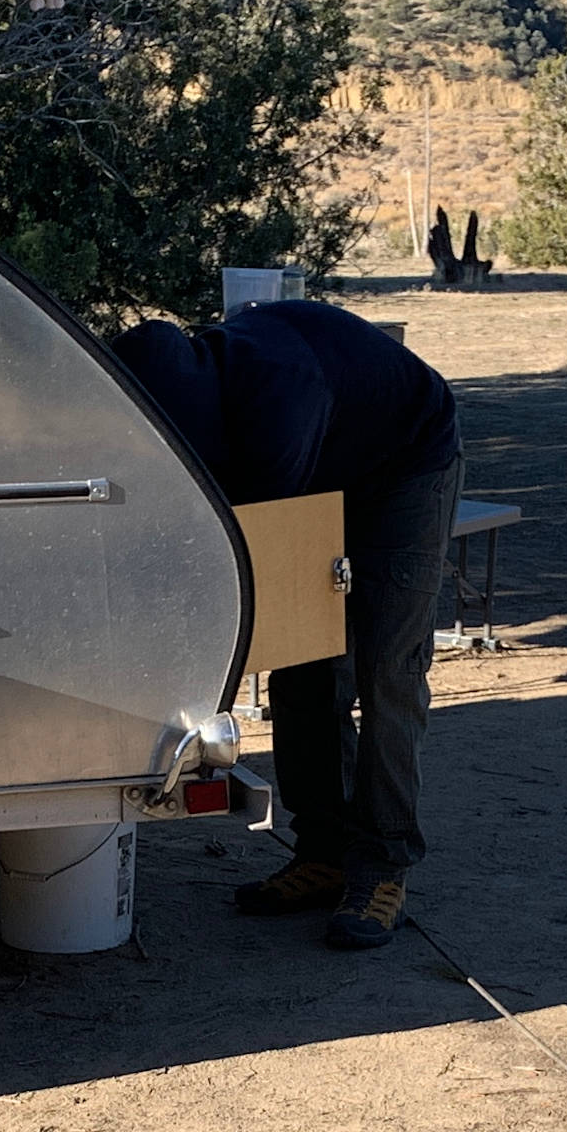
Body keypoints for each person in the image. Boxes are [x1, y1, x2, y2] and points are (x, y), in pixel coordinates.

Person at [109, 300, 462, 950]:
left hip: (406, 469)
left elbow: (248, 559)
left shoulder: (278, 408)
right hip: (329, 457)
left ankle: (382, 866)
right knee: (303, 667)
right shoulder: (185, 389)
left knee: (386, 669)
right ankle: (323, 851)